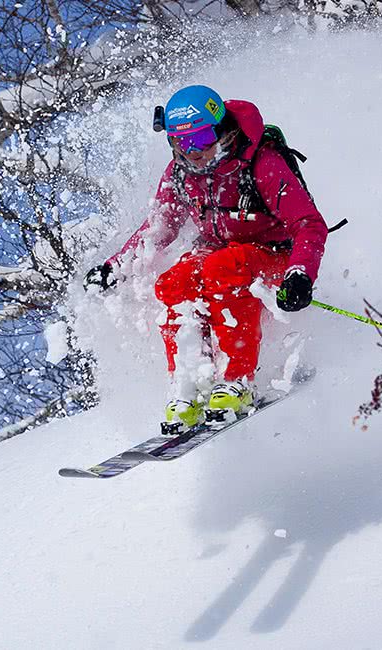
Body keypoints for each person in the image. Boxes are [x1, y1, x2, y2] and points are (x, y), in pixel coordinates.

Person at [84, 84, 329, 434]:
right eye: (182, 143)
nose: (193, 152)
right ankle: (190, 385)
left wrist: (300, 275)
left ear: (222, 130)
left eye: (201, 140)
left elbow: (308, 223)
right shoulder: (180, 175)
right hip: (224, 253)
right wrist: (115, 267)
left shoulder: (261, 163)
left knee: (221, 268)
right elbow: (158, 229)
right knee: (173, 282)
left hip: (276, 257)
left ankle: (236, 381)